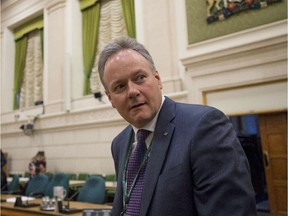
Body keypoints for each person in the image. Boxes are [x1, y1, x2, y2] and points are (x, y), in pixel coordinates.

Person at [98, 37, 257, 216]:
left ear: (157, 79)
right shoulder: (119, 144)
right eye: (119, 87)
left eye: (140, 77)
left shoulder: (205, 126)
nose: (133, 91)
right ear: (110, 98)